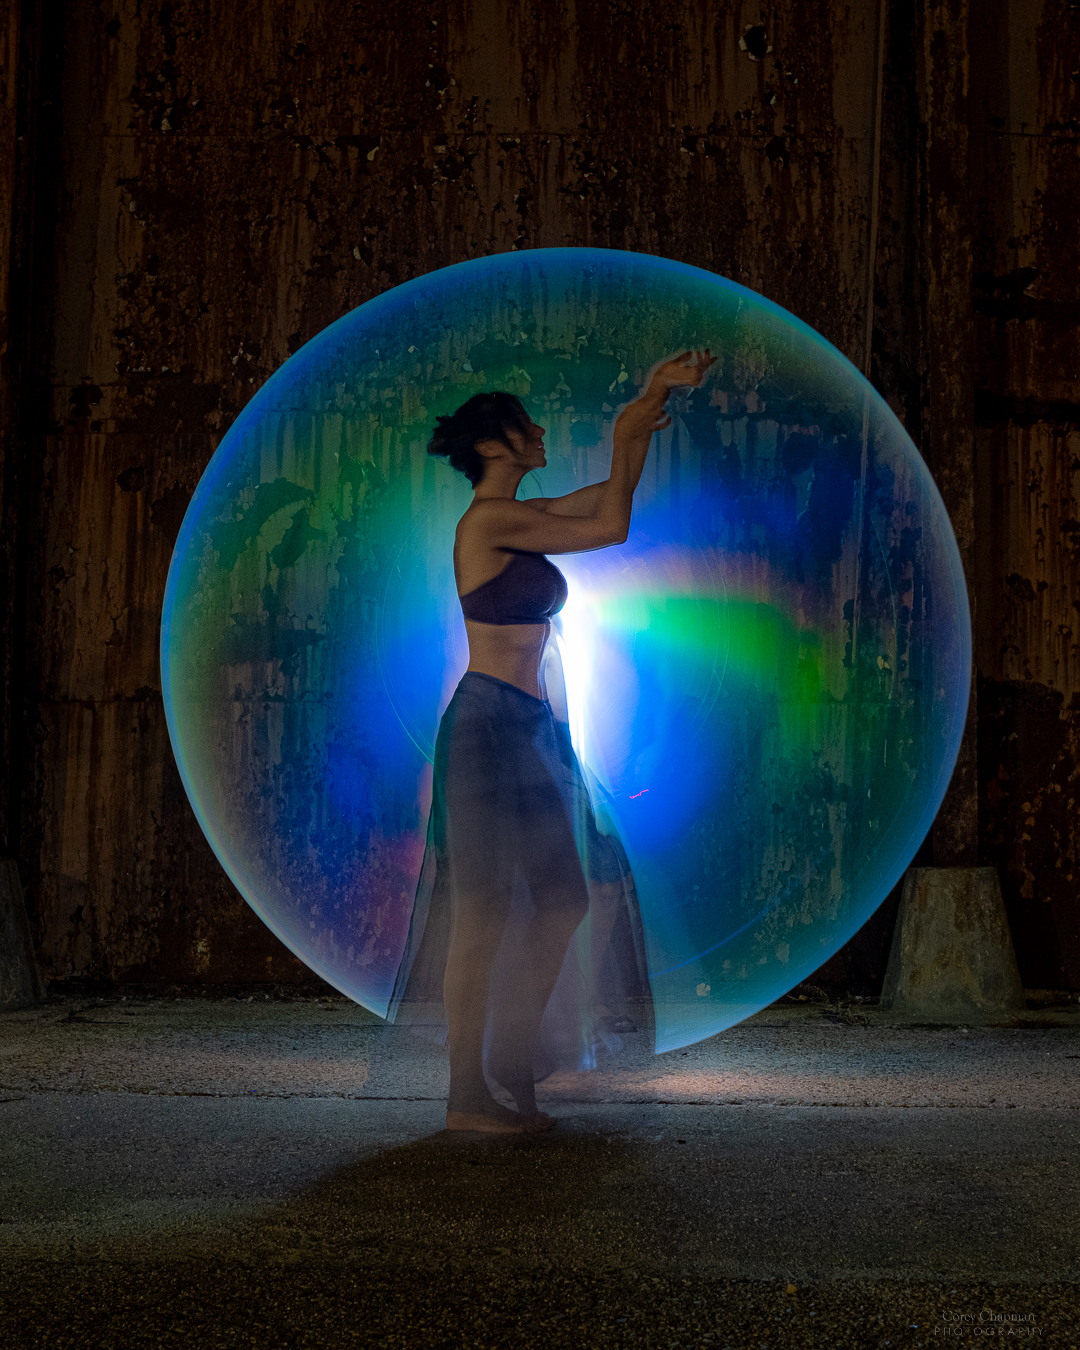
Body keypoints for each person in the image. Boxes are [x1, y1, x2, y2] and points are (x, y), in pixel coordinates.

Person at [390, 349, 715, 1134]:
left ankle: (507, 1059)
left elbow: (613, 506)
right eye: (525, 424)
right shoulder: (491, 521)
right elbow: (607, 524)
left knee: (564, 897)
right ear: (495, 444)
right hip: (485, 728)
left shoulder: (520, 520)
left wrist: (643, 410)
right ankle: (467, 1092)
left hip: (528, 730)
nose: (539, 431)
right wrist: (626, 420)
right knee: (482, 911)